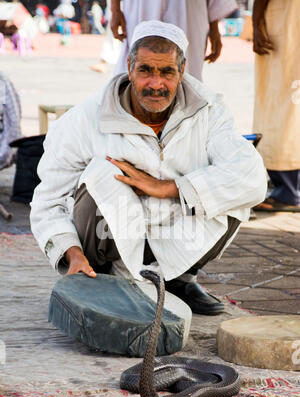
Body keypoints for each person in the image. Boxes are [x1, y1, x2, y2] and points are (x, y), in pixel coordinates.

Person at [30, 21, 267, 317]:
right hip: (108, 240)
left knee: (233, 191)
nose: (156, 84)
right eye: (145, 71)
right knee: (101, 174)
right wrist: (71, 254)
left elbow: (253, 177)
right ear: (129, 69)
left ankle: (178, 280)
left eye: (167, 72)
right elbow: (47, 202)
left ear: (181, 73)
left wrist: (171, 188)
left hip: (176, 235)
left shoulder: (208, 111)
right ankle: (105, 279)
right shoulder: (83, 120)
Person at [110, 0, 238, 80]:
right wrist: (115, 9)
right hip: (142, 6)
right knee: (139, 57)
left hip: (190, 9)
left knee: (188, 66)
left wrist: (214, 27)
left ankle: (185, 119)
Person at [252, 0, 300, 212]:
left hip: (287, 29)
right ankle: (290, 188)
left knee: (281, 104)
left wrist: (256, 25)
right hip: (287, 25)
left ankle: (289, 190)